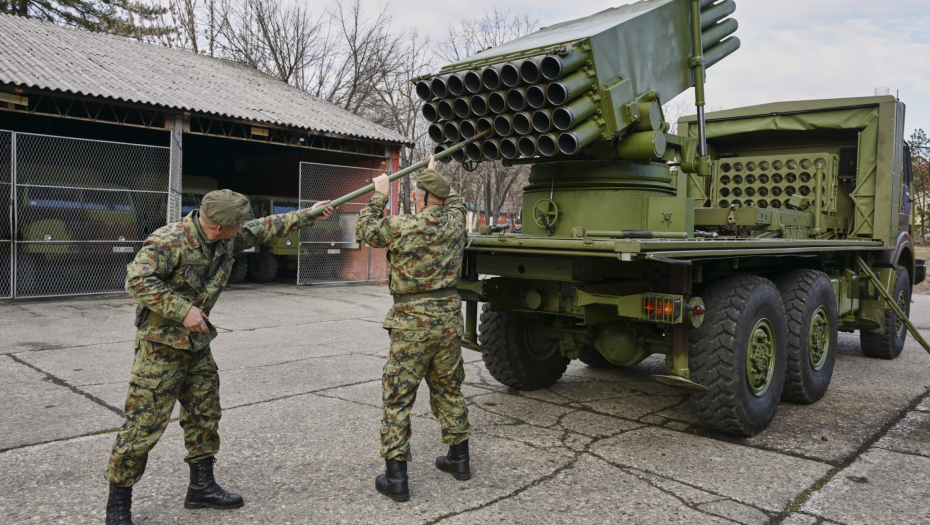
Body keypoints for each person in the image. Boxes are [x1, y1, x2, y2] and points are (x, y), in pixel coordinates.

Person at [103, 190, 334, 525]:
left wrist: (310, 214)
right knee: (143, 426)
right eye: (236, 223)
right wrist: (182, 310)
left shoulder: (228, 236)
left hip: (197, 345)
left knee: (204, 413)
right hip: (161, 348)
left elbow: (268, 226)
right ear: (217, 225)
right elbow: (137, 281)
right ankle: (118, 507)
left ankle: (201, 487)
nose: (242, 228)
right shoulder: (169, 241)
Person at [356, 155, 472, 503]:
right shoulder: (455, 224)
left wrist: (380, 193)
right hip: (448, 321)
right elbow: (456, 202)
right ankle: (459, 460)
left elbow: (366, 229)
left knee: (398, 399)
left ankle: (397, 479)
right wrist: (435, 177)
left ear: (420, 198)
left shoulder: (402, 226)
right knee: (449, 389)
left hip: (411, 325)